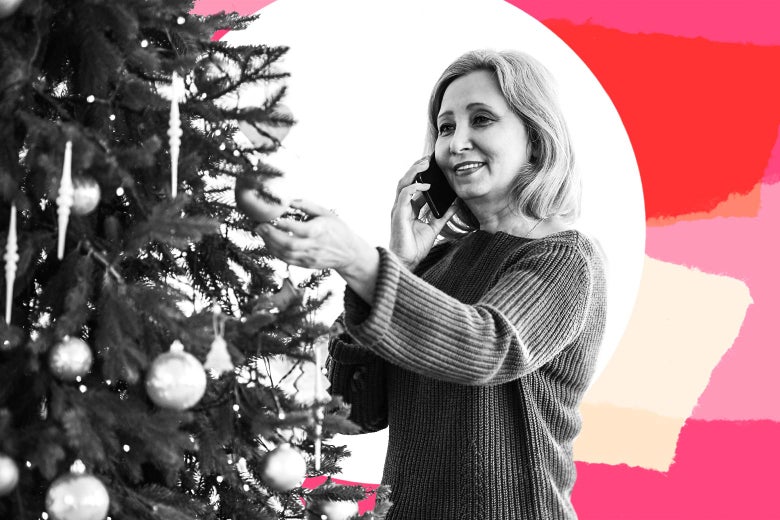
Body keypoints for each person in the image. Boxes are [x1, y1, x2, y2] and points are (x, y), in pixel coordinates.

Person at [257, 49, 607, 520]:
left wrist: (360, 261)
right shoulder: (435, 264)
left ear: (536, 140)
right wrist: (398, 263)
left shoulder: (563, 258)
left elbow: (485, 344)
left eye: (481, 120)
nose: (456, 142)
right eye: (445, 128)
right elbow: (354, 409)